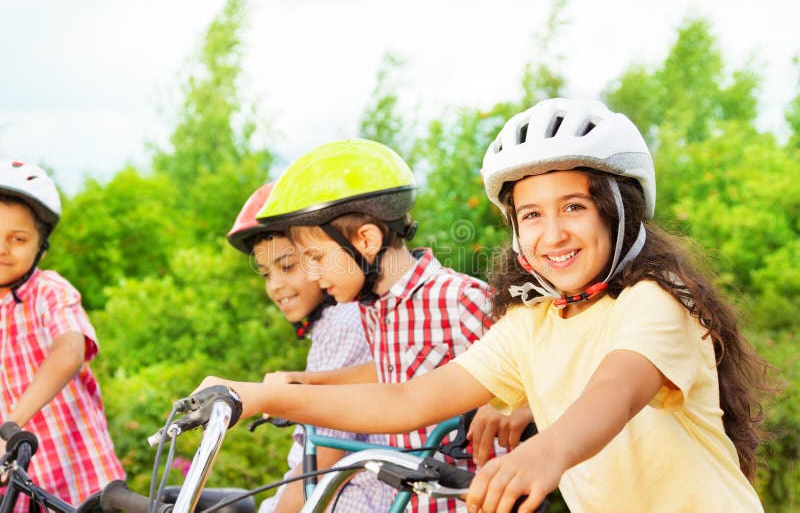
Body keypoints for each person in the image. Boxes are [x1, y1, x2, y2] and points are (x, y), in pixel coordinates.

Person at [196, 100, 769, 512]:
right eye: (531, 215)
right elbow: (411, 398)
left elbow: (614, 392)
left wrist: (544, 451)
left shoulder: (657, 299)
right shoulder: (531, 322)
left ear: (617, 212)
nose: (552, 234)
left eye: (574, 206)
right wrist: (266, 395)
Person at [256, 139, 525, 512]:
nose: (314, 275)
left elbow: (537, 373)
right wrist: (306, 382)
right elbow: (391, 374)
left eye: (316, 258)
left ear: (366, 240)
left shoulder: (461, 299)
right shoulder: (374, 307)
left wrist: (518, 405)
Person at [227, 182, 393, 513]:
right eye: (265, 274)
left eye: (288, 266)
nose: (275, 285)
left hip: (353, 500)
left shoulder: (343, 322)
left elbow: (321, 464)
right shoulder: (334, 325)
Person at [0, 160, 125, 509]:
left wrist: (12, 423)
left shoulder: (49, 291)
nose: (3, 249)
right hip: (16, 487)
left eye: (18, 238)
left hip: (78, 476)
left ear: (41, 243)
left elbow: (69, 350)